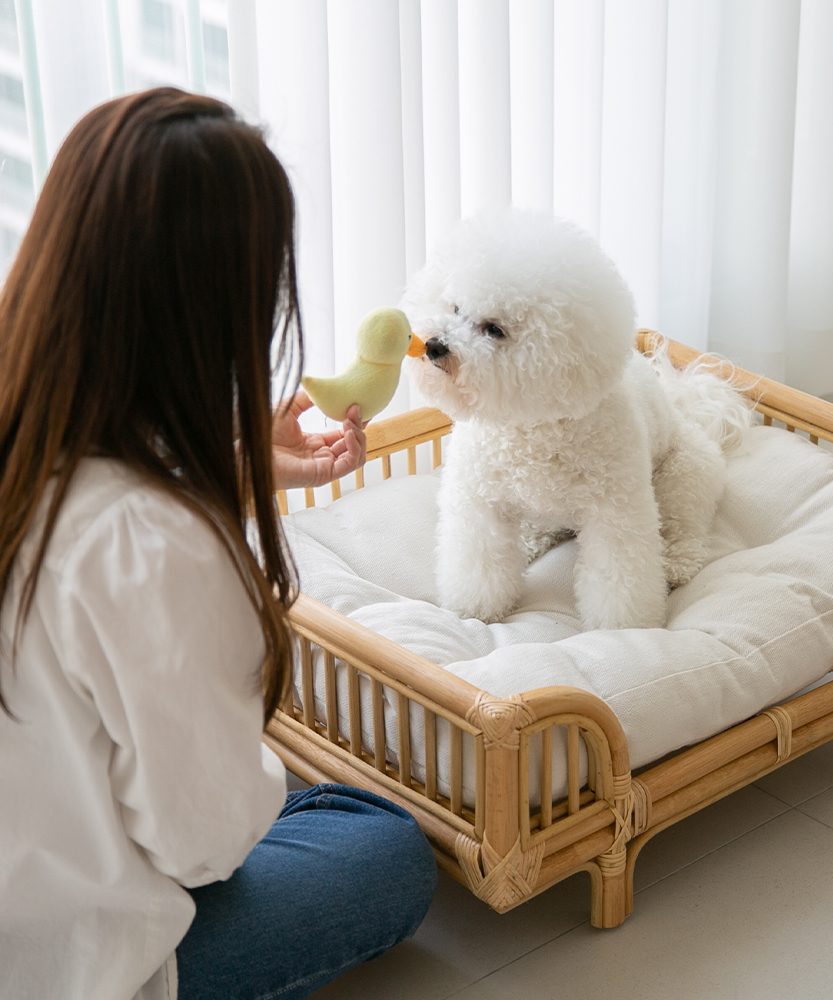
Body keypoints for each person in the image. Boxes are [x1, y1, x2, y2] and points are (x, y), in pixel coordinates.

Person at [0, 88, 436, 1000]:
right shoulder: (159, 546)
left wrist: (227, 467)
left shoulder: (31, 424)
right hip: (63, 963)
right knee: (386, 847)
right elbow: (201, 847)